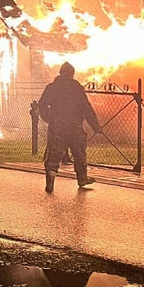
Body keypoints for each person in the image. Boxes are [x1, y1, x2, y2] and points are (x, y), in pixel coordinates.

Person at [38, 62, 101, 192]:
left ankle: (50, 182)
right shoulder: (76, 87)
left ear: (60, 73)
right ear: (72, 74)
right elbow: (86, 108)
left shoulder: (52, 87)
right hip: (74, 126)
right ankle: (82, 178)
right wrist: (95, 126)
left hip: (57, 126)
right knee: (79, 153)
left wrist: (49, 118)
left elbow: (42, 105)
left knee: (53, 154)